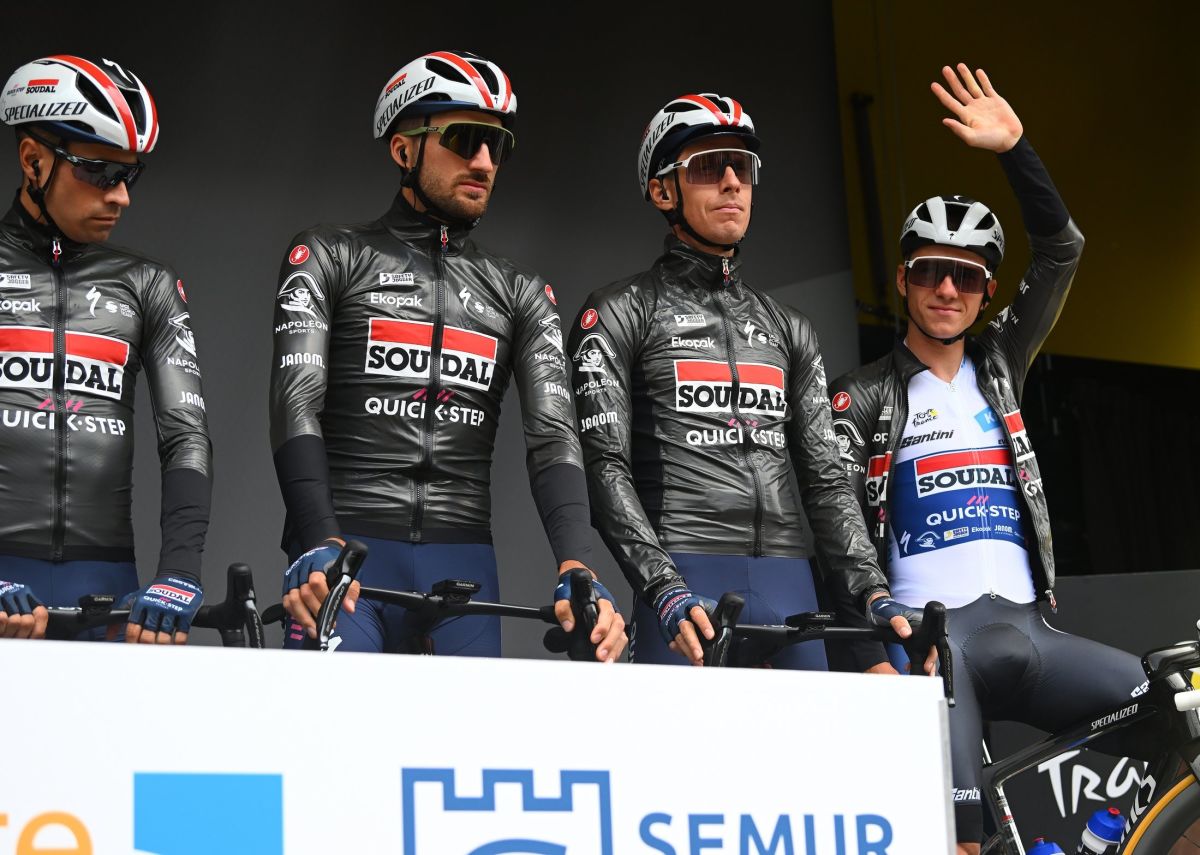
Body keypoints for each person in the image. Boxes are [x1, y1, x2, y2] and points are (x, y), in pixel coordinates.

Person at [828, 64, 1148, 853]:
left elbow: (1062, 250)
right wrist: (867, 654)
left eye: (966, 275)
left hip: (1033, 635)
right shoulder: (859, 395)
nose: (946, 288)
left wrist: (1016, 151)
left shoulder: (1002, 360)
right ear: (902, 279)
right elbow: (834, 533)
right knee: (960, 838)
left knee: (1179, 715)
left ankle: (1105, 837)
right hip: (935, 647)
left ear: (987, 289)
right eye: (929, 270)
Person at [269, 49, 625, 660]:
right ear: (403, 150)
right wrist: (317, 538)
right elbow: (294, 404)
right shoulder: (329, 255)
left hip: (465, 565)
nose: (484, 161)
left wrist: (578, 564)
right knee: (335, 724)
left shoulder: (521, 291)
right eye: (464, 139)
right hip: (345, 554)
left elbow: (553, 437)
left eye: (498, 145)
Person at [567, 92, 895, 667]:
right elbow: (604, 469)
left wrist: (871, 591)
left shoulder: (791, 326)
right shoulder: (619, 310)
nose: (730, 182)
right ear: (663, 190)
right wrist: (663, 588)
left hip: (791, 586)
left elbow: (827, 482)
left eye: (741, 166)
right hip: (684, 584)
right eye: (707, 167)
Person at [0, 55, 212, 644]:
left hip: (108, 584)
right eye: (98, 172)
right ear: (33, 160)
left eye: (129, 176)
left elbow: (186, 437)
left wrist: (179, 572)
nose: (121, 196)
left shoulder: (148, 283)